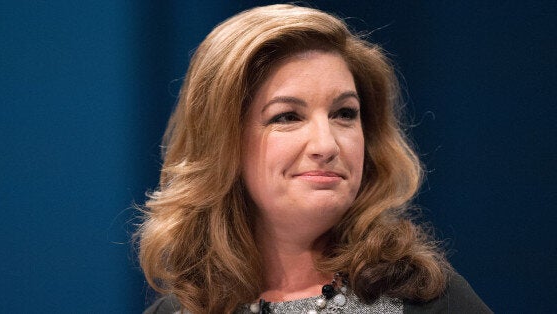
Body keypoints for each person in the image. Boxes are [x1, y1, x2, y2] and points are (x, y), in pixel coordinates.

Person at [138, 4, 491, 313]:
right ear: (222, 143)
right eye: (287, 117)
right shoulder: (181, 311)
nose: (326, 144)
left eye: (344, 113)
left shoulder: (426, 299)